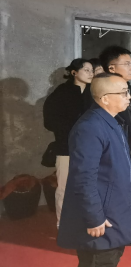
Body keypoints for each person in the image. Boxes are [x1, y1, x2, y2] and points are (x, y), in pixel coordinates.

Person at [57, 73, 131, 267]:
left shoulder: (110, 120)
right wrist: (94, 217)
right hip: (100, 214)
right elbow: (83, 178)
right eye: (123, 92)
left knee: (109, 257)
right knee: (96, 266)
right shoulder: (90, 127)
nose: (129, 97)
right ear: (104, 98)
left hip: (112, 209)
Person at [99, 46, 131, 249]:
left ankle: (130, 231)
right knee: (119, 196)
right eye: (127, 63)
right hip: (117, 154)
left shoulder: (129, 89)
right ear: (112, 68)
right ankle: (121, 234)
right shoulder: (102, 91)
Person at [43, 59, 94, 227]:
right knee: (65, 188)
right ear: (74, 72)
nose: (90, 73)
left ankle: (87, 223)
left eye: (91, 70)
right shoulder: (61, 92)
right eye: (86, 70)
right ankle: (64, 225)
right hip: (67, 147)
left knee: (89, 187)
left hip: (91, 148)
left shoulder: (94, 92)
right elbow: (50, 121)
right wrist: (74, 128)